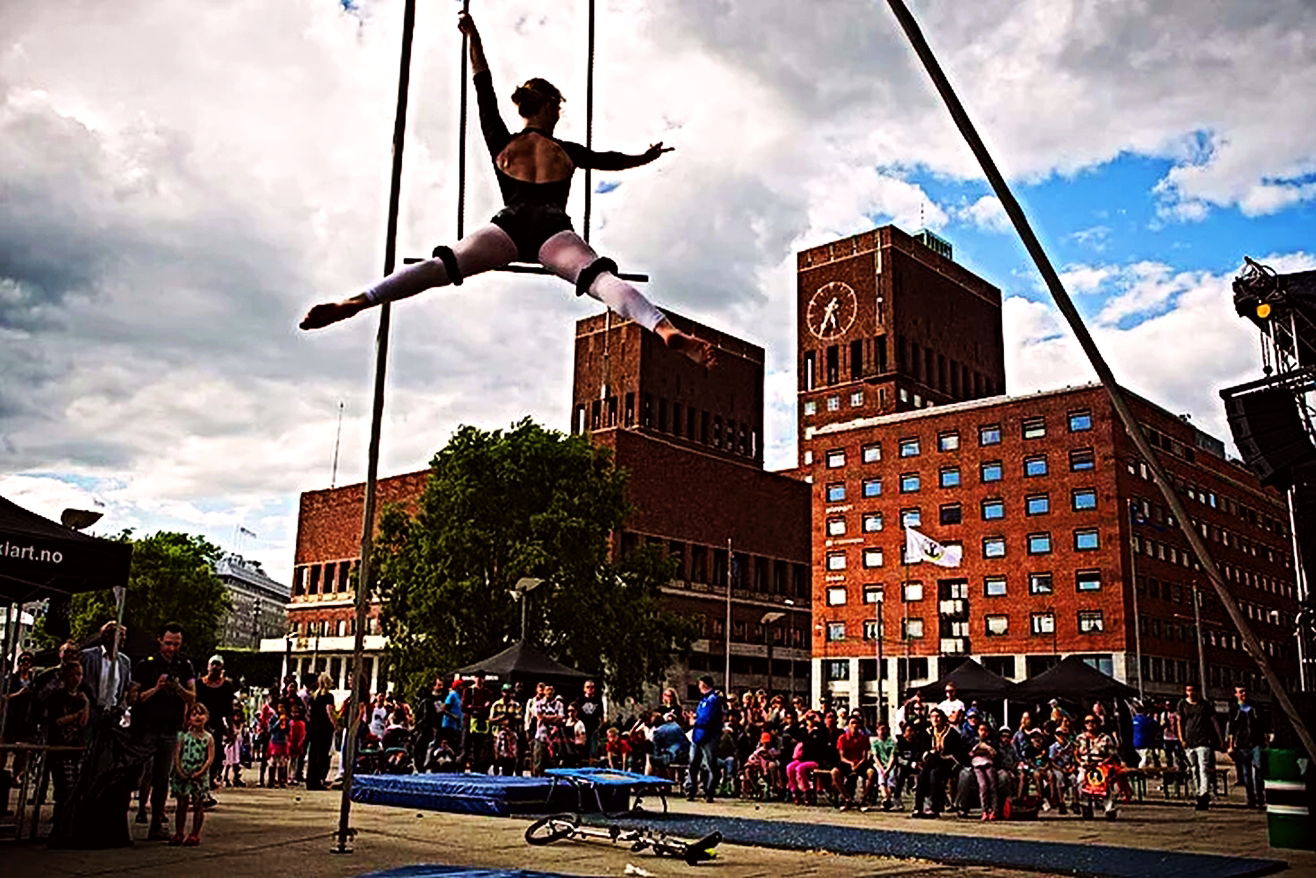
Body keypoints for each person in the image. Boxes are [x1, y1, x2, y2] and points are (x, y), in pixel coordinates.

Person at [298, 12, 717, 370]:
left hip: (509, 227)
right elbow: (612, 160)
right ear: (550, 106)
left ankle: (358, 301)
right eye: (558, 105)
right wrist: (646, 157)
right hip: (554, 232)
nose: (559, 111)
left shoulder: (502, 141)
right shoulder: (566, 151)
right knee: (600, 279)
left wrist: (474, 38)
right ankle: (663, 328)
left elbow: (483, 88)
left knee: (441, 266)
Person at [128, 622, 197, 840]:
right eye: (168, 643)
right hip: (145, 727)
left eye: (176, 644)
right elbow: (133, 698)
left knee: (162, 778)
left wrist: (177, 687)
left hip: (170, 728)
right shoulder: (145, 665)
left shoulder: (184, 665)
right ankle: (134, 814)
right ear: (160, 640)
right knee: (139, 774)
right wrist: (156, 688)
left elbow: (193, 697)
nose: (171, 648)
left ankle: (157, 821)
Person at [46, 662, 90, 829]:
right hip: (60, 746)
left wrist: (85, 705)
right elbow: (57, 721)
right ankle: (60, 821)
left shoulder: (81, 696)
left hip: (76, 746)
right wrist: (75, 716)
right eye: (73, 675)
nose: (76, 678)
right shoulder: (57, 697)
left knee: (75, 787)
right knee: (63, 787)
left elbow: (84, 722)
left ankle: (70, 822)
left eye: (79, 674)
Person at [170, 703, 215, 846]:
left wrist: (201, 772)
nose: (198, 717)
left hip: (199, 775)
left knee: (198, 805)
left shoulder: (208, 738)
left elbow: (210, 758)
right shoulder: (183, 737)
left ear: (207, 717)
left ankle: (194, 833)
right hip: (184, 772)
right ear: (188, 718)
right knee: (181, 804)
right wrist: (178, 769)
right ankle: (179, 833)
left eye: (201, 714)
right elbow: (177, 754)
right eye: (194, 714)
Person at [195, 654, 237, 802]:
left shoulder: (226, 686)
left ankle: (207, 787)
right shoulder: (199, 684)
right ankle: (197, 790)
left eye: (218, 664)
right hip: (198, 724)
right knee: (198, 757)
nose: (214, 667)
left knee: (216, 757)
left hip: (216, 726)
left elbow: (229, 710)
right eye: (212, 664)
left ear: (222, 668)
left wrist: (231, 730)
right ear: (208, 666)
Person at [912, 708, 962, 819]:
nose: (935, 719)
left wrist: (939, 754)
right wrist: (929, 753)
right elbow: (920, 750)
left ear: (943, 718)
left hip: (947, 763)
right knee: (927, 774)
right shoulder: (926, 733)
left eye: (937, 716)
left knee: (932, 771)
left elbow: (957, 752)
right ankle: (919, 806)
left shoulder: (952, 733)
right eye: (932, 716)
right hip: (930, 764)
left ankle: (933, 808)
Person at [1177, 683, 1219, 810]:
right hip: (1189, 741)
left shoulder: (1205, 705)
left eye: (1193, 690)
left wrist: (1220, 738)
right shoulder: (1182, 704)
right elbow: (1180, 722)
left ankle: (1203, 794)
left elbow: (1214, 721)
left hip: (1203, 741)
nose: (1190, 693)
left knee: (1203, 768)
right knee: (1194, 769)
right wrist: (1181, 739)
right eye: (1188, 690)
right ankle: (1197, 791)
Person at [1225, 684, 1267, 808]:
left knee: (1258, 771)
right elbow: (1232, 728)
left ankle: (1260, 796)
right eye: (1240, 692)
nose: (1243, 694)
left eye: (1244, 691)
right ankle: (1251, 798)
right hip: (1242, 744)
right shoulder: (1234, 709)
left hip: (1256, 742)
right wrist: (1231, 745)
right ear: (1236, 694)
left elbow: (1262, 724)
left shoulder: (1255, 707)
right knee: (1246, 773)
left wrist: (1266, 741)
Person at [79, 621, 131, 717]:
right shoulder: (88, 657)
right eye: (121, 635)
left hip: (112, 713)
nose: (124, 638)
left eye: (124, 635)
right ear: (108, 636)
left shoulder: (125, 661)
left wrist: (121, 708)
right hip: (89, 712)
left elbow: (125, 688)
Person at [1075, 713, 1121, 820]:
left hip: (1102, 765)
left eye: (1092, 721)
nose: (1090, 724)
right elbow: (1076, 753)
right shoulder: (1080, 738)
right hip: (1085, 765)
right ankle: (1086, 806)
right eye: (1087, 722)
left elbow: (1111, 754)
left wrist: (1102, 763)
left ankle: (1109, 808)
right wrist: (1081, 762)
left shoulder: (1105, 738)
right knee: (1081, 781)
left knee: (1107, 783)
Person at [686, 675, 724, 802]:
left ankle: (709, 791)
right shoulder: (703, 700)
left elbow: (709, 718)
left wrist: (695, 721)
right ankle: (691, 789)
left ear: (704, 684)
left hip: (709, 735)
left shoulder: (713, 699)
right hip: (698, 735)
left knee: (710, 764)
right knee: (693, 763)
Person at [305, 673, 336, 790]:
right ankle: (318, 780)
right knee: (322, 755)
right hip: (324, 728)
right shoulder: (328, 696)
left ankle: (310, 780)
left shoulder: (314, 696)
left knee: (313, 754)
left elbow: (310, 713)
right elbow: (329, 711)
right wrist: (335, 725)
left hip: (313, 728)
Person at [968, 722, 999, 821]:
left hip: (989, 764)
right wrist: (983, 750)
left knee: (993, 786)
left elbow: (994, 753)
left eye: (985, 730)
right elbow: (971, 753)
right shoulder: (973, 741)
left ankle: (994, 810)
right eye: (981, 730)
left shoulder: (992, 742)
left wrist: (985, 748)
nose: (983, 733)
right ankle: (984, 810)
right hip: (977, 766)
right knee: (983, 786)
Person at [490, 684, 522, 776]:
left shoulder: (516, 705)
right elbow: (491, 720)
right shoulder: (496, 704)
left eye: (508, 692)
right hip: (498, 732)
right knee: (497, 756)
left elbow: (520, 718)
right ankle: (496, 773)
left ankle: (509, 774)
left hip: (511, 734)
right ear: (501, 692)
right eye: (505, 692)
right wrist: (502, 718)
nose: (506, 694)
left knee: (510, 757)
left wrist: (511, 718)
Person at [577, 679, 605, 760]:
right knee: (583, 748)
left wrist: (600, 725)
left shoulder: (598, 700)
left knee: (593, 749)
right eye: (588, 687)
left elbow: (601, 715)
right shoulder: (580, 700)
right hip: (583, 728)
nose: (590, 689)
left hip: (594, 727)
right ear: (584, 689)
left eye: (592, 687)